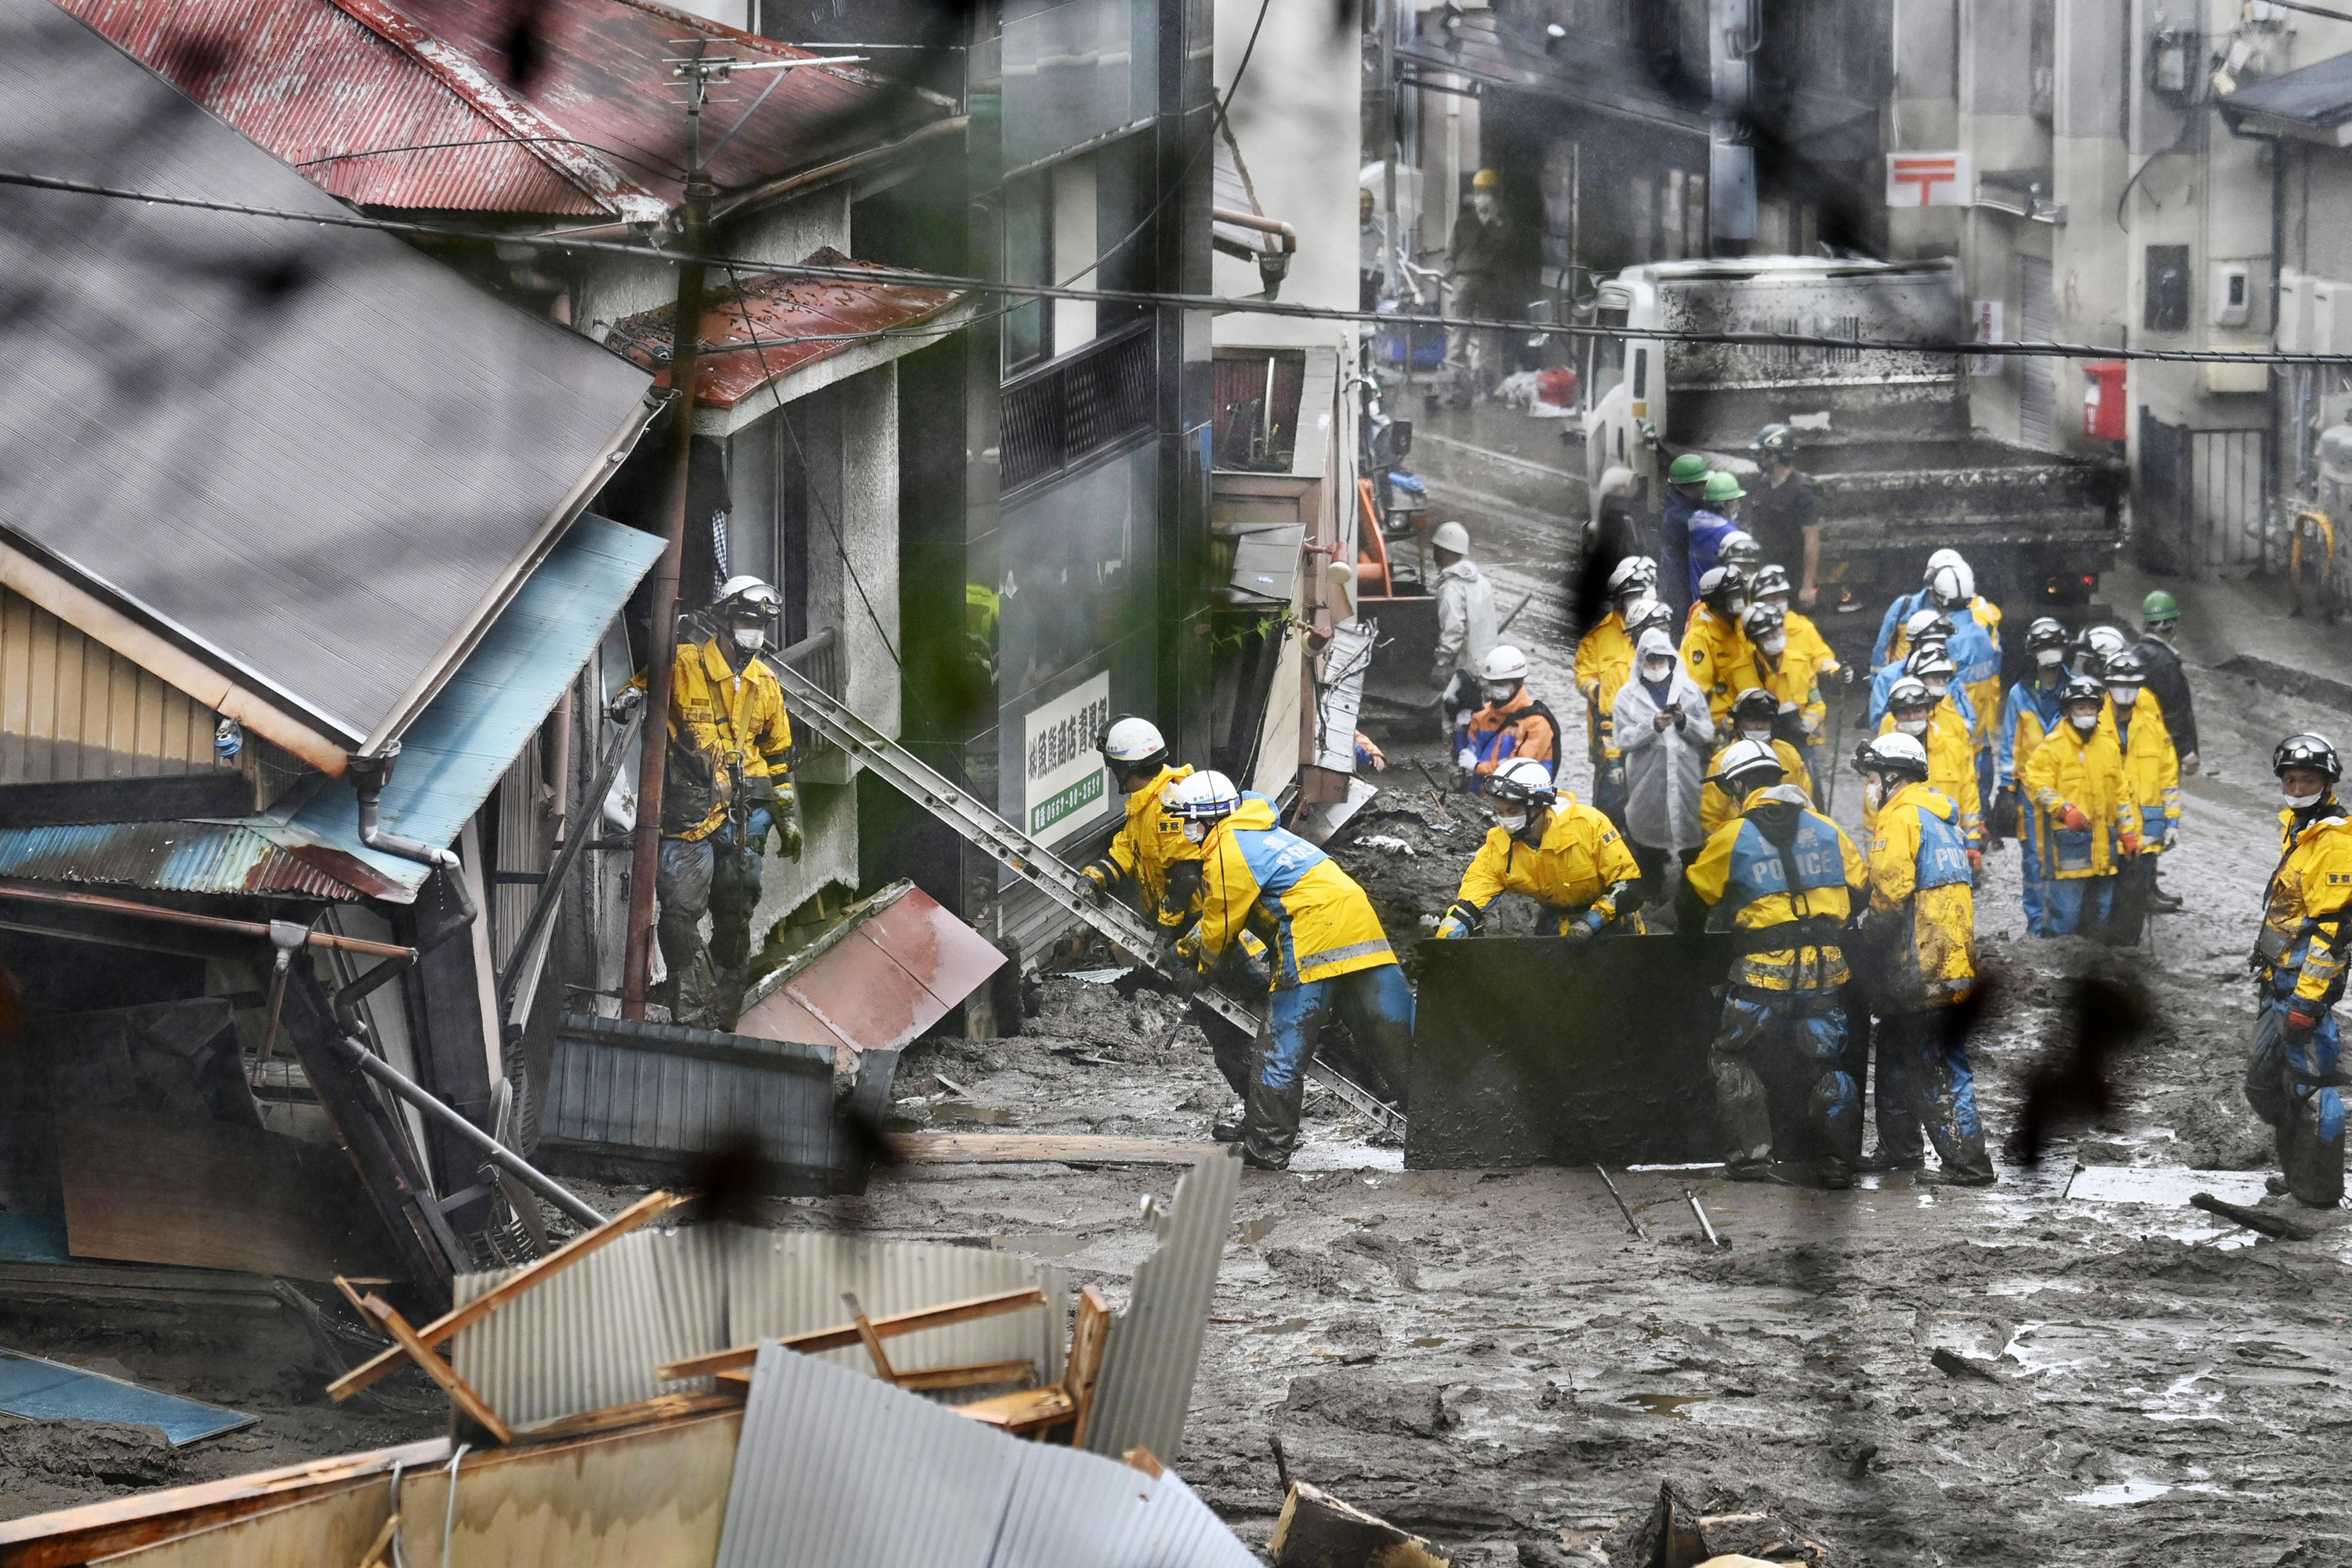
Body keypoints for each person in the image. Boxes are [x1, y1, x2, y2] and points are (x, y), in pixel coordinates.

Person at [1168, 771, 1414, 1171]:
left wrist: (1200, 966)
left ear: (1207, 819)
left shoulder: (1226, 849)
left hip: (1311, 934)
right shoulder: (1261, 832)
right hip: (1358, 925)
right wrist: (1190, 947)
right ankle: (1442, 1129)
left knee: (1282, 1048)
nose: (1186, 829)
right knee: (1399, 1035)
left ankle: (1266, 1148)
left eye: (1188, 820)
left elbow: (1222, 922)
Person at [1679, 738, 1870, 1186]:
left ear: (1739, 784)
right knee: (1828, 1064)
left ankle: (1751, 1160)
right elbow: (1861, 890)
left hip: (1761, 974)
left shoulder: (1731, 836)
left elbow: (1689, 903)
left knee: (1730, 1054)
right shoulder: (1827, 828)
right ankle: (1839, 1163)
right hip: (1826, 972)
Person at [614, 576, 802, 1029]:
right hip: (690, 815)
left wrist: (788, 818)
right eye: (745, 620)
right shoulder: (680, 664)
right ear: (723, 619)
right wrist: (633, 698)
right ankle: (694, 1018)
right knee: (679, 919)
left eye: (759, 623)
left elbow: (777, 759)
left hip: (747, 820)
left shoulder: (766, 683)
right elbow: (628, 696)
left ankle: (724, 1020)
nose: (753, 630)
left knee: (735, 922)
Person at [1850, 734, 1995, 1185]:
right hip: (1947, 958)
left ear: (1893, 776)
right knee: (1894, 1055)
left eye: (1873, 777)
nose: (1871, 787)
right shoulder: (1943, 820)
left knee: (1937, 1064)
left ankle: (1968, 1165)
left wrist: (1862, 937)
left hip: (1922, 964)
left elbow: (1890, 894)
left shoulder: (1899, 817)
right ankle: (1899, 1150)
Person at [2247, 734, 2352, 1207]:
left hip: (2303, 987)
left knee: (2313, 1085)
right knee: (2268, 1082)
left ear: (2327, 781)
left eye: (2308, 779)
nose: (2298, 786)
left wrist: (2309, 1002)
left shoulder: (2334, 841)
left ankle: (2319, 1188)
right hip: (2278, 978)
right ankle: (2297, 1172)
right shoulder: (2298, 826)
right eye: (2290, 778)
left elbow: (2333, 932)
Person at [1434, 757, 1644, 941]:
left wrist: (1593, 920)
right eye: (1500, 812)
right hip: (1555, 923)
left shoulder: (1588, 825)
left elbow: (1629, 883)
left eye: (1513, 811)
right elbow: (1478, 888)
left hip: (1613, 924)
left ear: (1538, 807)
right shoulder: (1500, 845)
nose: (1505, 820)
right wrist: (1454, 925)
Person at [2020, 676, 2140, 938]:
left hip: (2104, 850)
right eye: (2079, 707)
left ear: (2099, 710)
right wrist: (2064, 809)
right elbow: (2034, 782)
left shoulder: (2108, 746)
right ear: (2067, 712)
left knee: (2101, 912)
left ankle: (2090, 967)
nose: (2086, 713)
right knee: (2065, 915)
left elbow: (2121, 794)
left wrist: (2129, 833)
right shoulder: (2053, 747)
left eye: (2090, 707)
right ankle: (2052, 964)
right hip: (2068, 850)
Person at [1612, 626, 1715, 906]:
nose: (1656, 666)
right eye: (1651, 660)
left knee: (1692, 833)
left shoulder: (1690, 692)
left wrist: (1684, 722)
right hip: (1647, 777)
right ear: (1641, 661)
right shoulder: (1626, 697)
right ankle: (1652, 889)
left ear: (1671, 659)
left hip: (1686, 776)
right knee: (1648, 834)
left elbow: (1707, 733)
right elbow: (1621, 738)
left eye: (1661, 659)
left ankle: (1690, 891)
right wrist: (1652, 726)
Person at [1078, 717, 1199, 943]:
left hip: (1196, 923)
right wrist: (1093, 878)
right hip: (1174, 922)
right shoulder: (1146, 803)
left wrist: (1166, 930)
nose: (1113, 774)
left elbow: (1186, 878)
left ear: (1126, 769)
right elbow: (1125, 850)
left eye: (1114, 767)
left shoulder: (1171, 806)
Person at [1997, 616, 2077, 935]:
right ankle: (2036, 925)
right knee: (2033, 861)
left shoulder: (2076, 690)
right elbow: (2009, 745)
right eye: (2043, 647)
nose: (2049, 654)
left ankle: (2064, 924)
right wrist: (2006, 788)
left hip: (2067, 791)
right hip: (2030, 796)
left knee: (2068, 856)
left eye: (2053, 646)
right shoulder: (2020, 693)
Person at [2101, 651, 2180, 946]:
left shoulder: (2152, 727)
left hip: (2145, 831)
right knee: (2101, 897)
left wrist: (2172, 822)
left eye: (2132, 685)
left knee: (2135, 899)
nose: (2126, 691)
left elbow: (2168, 780)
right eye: (2120, 683)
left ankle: (2127, 954)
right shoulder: (2093, 723)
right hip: (2106, 829)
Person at [1574, 558, 1660, 822]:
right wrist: (1597, 691)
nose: (1634, 601)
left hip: (1646, 728)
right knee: (1608, 799)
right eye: (1629, 596)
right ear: (1619, 600)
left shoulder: (1653, 630)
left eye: (1638, 595)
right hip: (1608, 732)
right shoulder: (1598, 638)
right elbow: (1583, 674)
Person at [2136, 590, 2198, 912]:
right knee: (2155, 820)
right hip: (2161, 752)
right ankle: (2146, 891)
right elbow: (2175, 712)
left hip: (2143, 753)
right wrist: (2187, 751)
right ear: (2171, 625)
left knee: (2146, 820)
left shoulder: (2138, 655)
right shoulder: (2165, 662)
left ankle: (2148, 887)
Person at [1880, 675, 1984, 852]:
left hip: (1949, 845)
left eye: (1918, 710)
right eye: (1905, 712)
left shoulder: (1952, 747)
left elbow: (1968, 794)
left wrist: (1973, 840)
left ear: (1928, 711)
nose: (1912, 717)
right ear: (1895, 716)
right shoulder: (1883, 755)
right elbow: (1873, 810)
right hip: (1902, 846)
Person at [1704, 687, 1813, 833]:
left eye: (1764, 719)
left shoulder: (1789, 753)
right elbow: (1710, 817)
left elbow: (1806, 800)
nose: (1759, 725)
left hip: (1788, 834)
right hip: (1742, 839)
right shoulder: (1722, 761)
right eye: (1752, 720)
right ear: (1738, 723)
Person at [1428, 519, 1498, 742]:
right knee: (1483, 719)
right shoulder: (1481, 582)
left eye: (1435, 549)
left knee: (1456, 721)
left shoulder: (1452, 588)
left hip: (1465, 669)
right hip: (1487, 665)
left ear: (1442, 551)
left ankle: (1460, 767)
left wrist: (1442, 663)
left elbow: (1454, 630)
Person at [1874, 549, 2002, 670]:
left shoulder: (1979, 612)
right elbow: (1882, 650)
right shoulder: (1904, 607)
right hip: (1905, 687)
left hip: (1941, 683)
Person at [1446, 168, 1515, 397]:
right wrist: (1454, 276)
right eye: (1478, 192)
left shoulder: (1502, 227)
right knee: (1459, 332)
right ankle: (1456, 384)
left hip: (1490, 284)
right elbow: (1450, 255)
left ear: (1495, 196)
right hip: (1465, 280)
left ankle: (1487, 386)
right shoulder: (1464, 222)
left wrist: (1495, 223)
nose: (1482, 197)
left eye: (1487, 192)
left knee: (1489, 334)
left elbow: (1505, 253)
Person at [1457, 644, 1559, 789]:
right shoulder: (1481, 715)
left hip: (1520, 801)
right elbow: (1464, 756)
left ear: (1518, 683)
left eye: (1502, 683)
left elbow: (1519, 770)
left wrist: (1478, 767)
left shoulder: (1537, 724)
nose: (1495, 688)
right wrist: (1459, 729)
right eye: (1493, 683)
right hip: (1483, 796)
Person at [1744, 425, 1822, 611]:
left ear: (1777, 456)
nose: (1759, 459)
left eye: (1764, 454)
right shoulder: (1763, 484)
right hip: (1764, 572)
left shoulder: (1802, 490)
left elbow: (1811, 538)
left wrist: (1807, 586)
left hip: (1791, 577)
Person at [1682, 565, 1761, 730]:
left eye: (1740, 594)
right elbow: (1700, 691)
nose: (1740, 600)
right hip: (1722, 721)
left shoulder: (1744, 626)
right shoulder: (1700, 637)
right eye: (1733, 596)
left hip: (1754, 710)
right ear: (1717, 601)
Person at [1865, 611, 1955, 728]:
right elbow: (1877, 721)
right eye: (1929, 642)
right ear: (1915, 644)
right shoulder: (1889, 676)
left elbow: (1965, 720)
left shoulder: (1951, 676)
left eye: (1941, 642)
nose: (1936, 648)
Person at [1659, 454, 1712, 622]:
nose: (1706, 487)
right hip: (1679, 578)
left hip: (1680, 573)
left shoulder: (1683, 503)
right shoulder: (1679, 516)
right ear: (1688, 487)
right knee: (1682, 618)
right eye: (1702, 484)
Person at [1685, 473, 1748, 601]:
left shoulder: (1696, 523)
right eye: (1734, 501)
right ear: (1723, 504)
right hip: (1721, 603)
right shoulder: (1729, 534)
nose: (1737, 504)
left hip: (1698, 600)